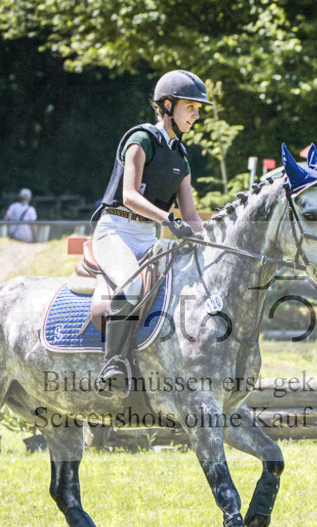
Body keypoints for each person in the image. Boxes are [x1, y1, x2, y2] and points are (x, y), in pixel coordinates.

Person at [90, 69, 209, 398]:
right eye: (191, 107)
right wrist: (167, 220)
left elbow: (191, 216)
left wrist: (214, 242)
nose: (196, 115)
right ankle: (113, 364)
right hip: (115, 230)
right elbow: (129, 195)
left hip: (148, 237)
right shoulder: (140, 140)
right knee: (129, 288)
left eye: (198, 109)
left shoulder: (182, 159)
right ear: (168, 105)